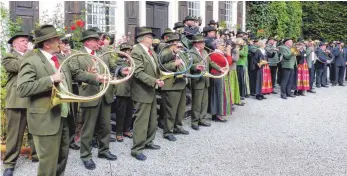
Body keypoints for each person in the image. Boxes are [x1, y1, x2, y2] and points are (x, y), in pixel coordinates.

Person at [17, 24, 104, 176]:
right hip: (46, 119)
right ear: (46, 43)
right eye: (57, 39)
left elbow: (76, 73)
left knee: (62, 158)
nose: (60, 42)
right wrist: (50, 79)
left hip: (64, 116)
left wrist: (96, 77)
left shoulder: (60, 58)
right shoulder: (31, 60)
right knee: (48, 164)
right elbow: (23, 88)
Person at [69, 29, 121, 170]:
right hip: (90, 95)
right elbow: (76, 74)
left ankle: (103, 151)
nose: (99, 42)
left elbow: (112, 67)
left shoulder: (101, 54)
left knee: (106, 126)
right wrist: (94, 77)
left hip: (105, 95)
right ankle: (85, 156)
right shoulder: (77, 55)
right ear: (87, 42)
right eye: (95, 40)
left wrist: (122, 71)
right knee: (88, 128)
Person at [2, 30, 38, 176]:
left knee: (35, 130)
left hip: (33, 98)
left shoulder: (33, 56)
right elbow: (20, 66)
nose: (26, 43)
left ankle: (37, 155)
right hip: (16, 101)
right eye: (23, 41)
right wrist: (31, 53)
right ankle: (10, 163)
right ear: (14, 44)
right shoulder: (9, 57)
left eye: (26, 41)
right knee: (14, 134)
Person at [130, 27, 164, 161]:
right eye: (150, 37)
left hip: (151, 89)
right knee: (141, 121)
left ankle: (148, 142)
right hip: (141, 91)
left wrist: (159, 79)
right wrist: (154, 81)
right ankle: (137, 149)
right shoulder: (137, 51)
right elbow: (137, 72)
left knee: (152, 119)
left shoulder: (151, 51)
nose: (152, 39)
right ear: (143, 38)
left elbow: (156, 68)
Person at [189, 34, 227, 130]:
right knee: (197, 103)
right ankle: (194, 121)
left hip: (206, 80)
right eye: (202, 42)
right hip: (197, 80)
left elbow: (211, 62)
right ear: (196, 43)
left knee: (204, 102)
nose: (204, 44)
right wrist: (196, 67)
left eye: (203, 42)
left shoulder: (205, 51)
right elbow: (189, 65)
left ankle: (202, 119)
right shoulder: (191, 52)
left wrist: (220, 69)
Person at [159, 33, 190, 142]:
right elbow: (161, 66)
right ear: (170, 44)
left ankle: (178, 127)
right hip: (171, 85)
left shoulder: (179, 52)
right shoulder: (164, 52)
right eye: (176, 42)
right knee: (170, 111)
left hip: (181, 83)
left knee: (181, 109)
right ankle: (168, 132)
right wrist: (174, 63)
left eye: (178, 41)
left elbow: (186, 64)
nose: (178, 44)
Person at [208, 39, 232, 121]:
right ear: (217, 46)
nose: (224, 47)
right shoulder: (215, 54)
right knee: (219, 94)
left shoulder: (219, 54)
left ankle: (217, 113)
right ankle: (217, 114)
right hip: (217, 75)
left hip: (220, 75)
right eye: (223, 46)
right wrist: (228, 53)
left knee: (221, 94)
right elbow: (228, 63)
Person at [114, 42, 134, 142]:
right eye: (125, 51)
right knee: (120, 113)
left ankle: (127, 129)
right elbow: (119, 69)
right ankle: (119, 132)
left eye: (129, 50)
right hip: (121, 90)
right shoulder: (119, 61)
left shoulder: (131, 61)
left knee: (129, 112)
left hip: (131, 90)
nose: (128, 52)